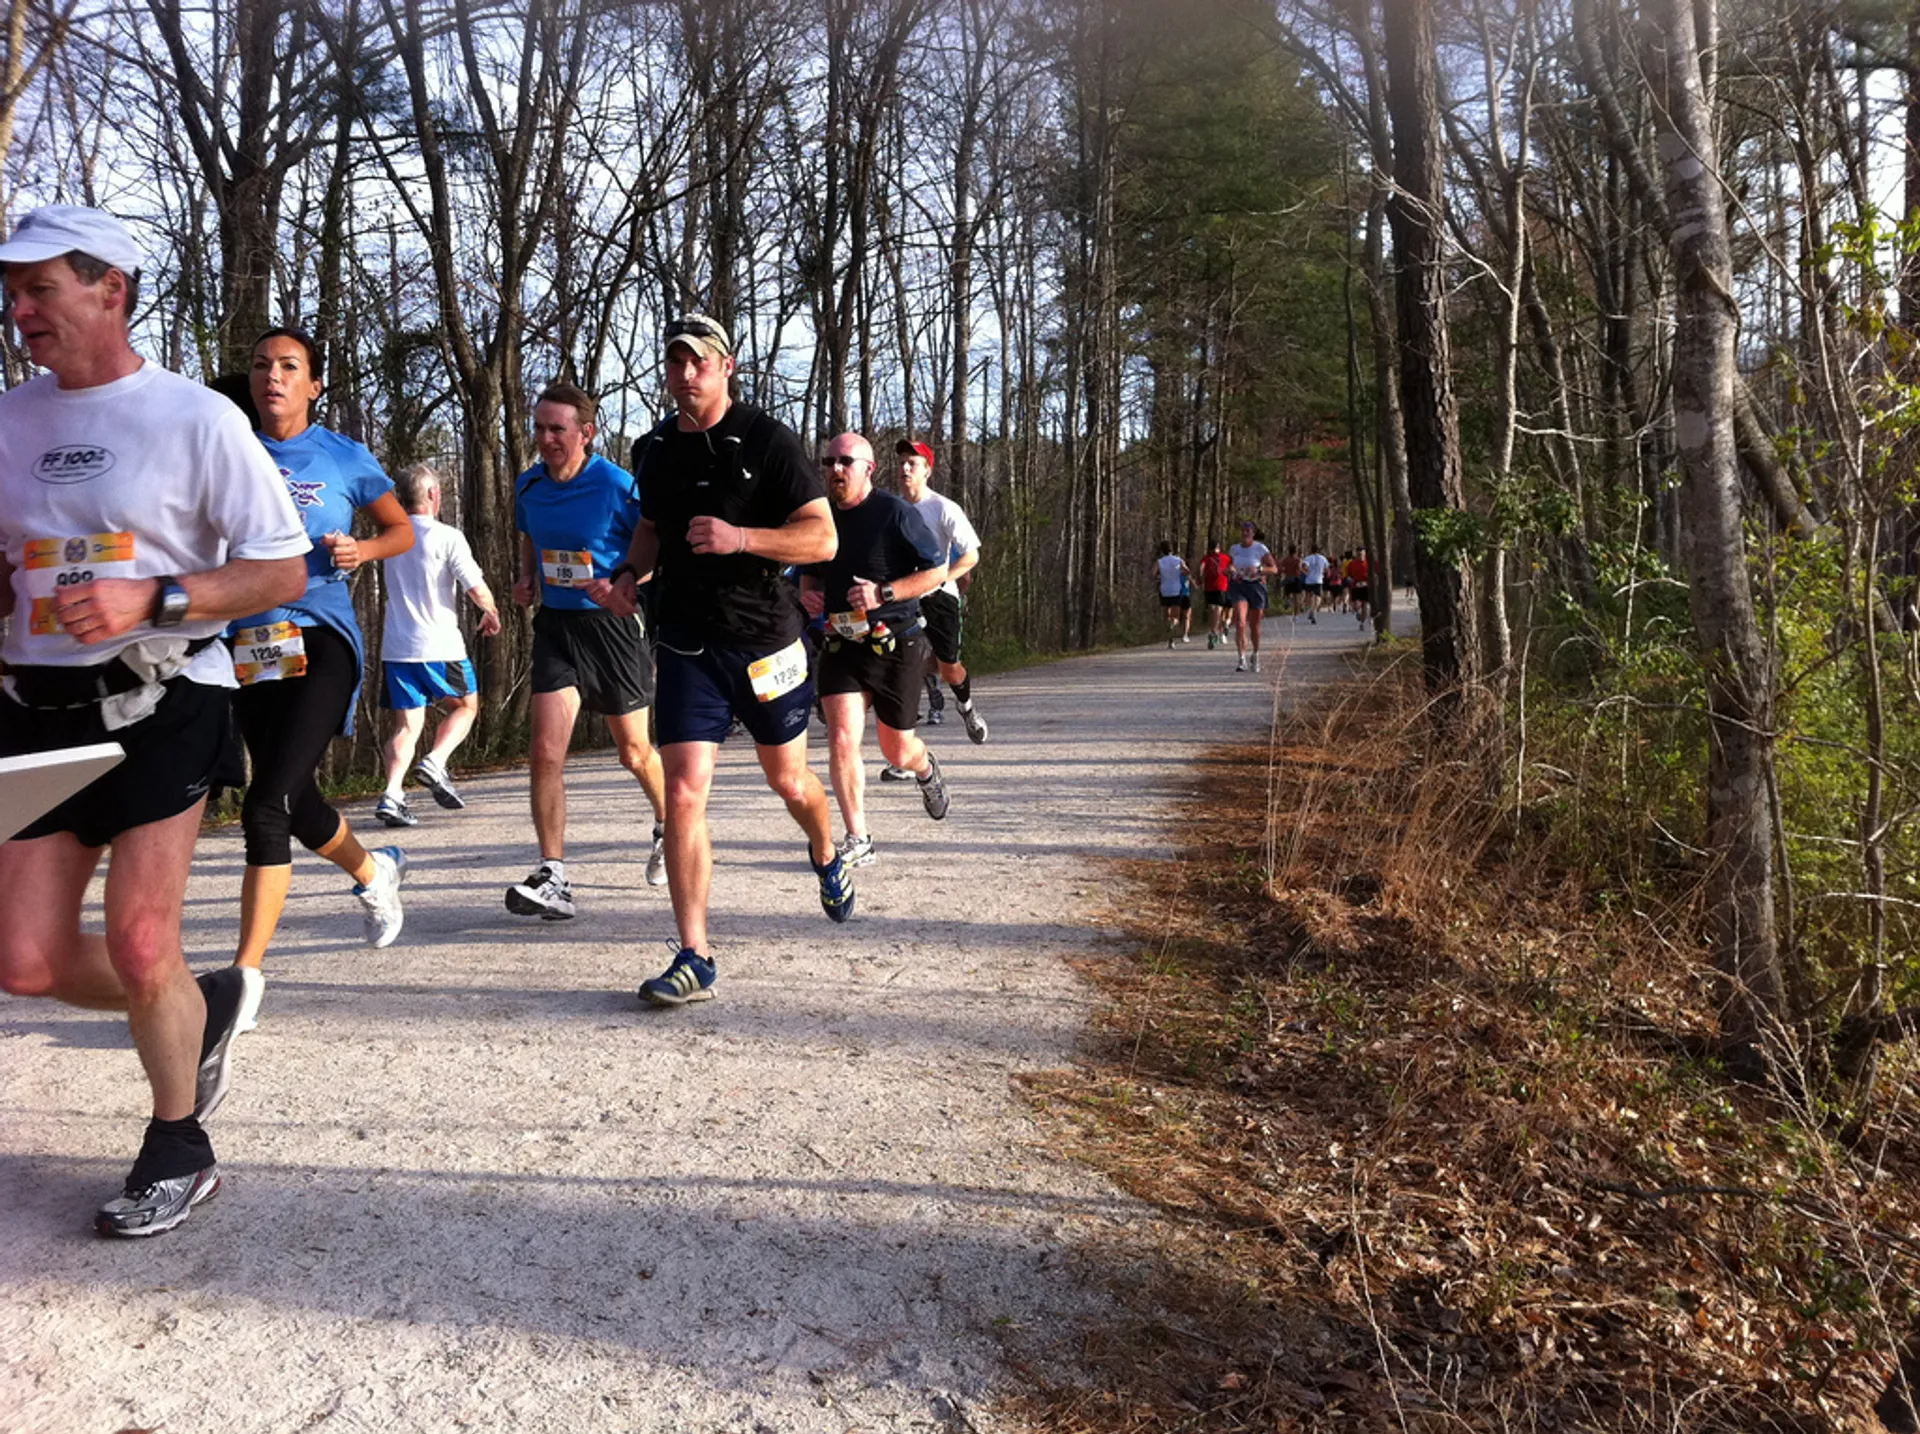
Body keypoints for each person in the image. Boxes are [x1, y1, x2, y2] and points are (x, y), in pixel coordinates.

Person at [0, 205, 309, 1236]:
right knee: (26, 961)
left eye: (41, 288)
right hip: (34, 705)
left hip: (167, 691)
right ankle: (199, 1002)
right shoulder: (8, 417)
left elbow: (280, 567)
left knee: (139, 941)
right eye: (14, 290)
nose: (20, 310)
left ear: (110, 290)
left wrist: (155, 598)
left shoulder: (195, 418)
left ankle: (179, 1142)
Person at [591, 314, 848, 1008]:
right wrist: (626, 578)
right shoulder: (651, 449)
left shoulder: (769, 441)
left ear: (725, 366)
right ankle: (693, 953)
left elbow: (820, 539)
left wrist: (742, 537)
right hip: (684, 642)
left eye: (698, 362)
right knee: (681, 794)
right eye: (675, 362)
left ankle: (828, 851)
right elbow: (648, 531)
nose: (684, 374)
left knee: (789, 781)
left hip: (764, 641)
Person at [226, 325, 415, 1032]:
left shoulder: (343, 455)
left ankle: (244, 978)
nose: (271, 376)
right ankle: (375, 873)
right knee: (296, 802)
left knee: (265, 807)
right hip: (247, 642)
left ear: (314, 384)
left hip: (322, 637)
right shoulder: (228, 450)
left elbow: (400, 529)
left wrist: (361, 547)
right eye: (260, 364)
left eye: (288, 366)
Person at [505, 382, 668, 919]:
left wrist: (624, 581)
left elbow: (652, 549)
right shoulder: (528, 485)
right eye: (539, 427)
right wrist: (526, 578)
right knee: (545, 752)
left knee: (634, 753)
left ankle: (670, 825)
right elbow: (530, 537)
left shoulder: (617, 485)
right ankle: (554, 873)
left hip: (613, 626)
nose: (545, 438)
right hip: (557, 626)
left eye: (557, 429)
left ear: (585, 433)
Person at [798, 432, 951, 868]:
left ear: (869, 469)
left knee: (897, 750)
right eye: (828, 462)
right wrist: (809, 597)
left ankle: (925, 769)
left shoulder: (895, 513)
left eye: (846, 461)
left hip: (896, 641)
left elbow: (936, 571)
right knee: (843, 738)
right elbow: (809, 573)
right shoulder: (819, 517)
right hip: (842, 642)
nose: (835, 470)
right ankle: (858, 836)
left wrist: (884, 592)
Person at [375, 463, 502, 828]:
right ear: (433, 495)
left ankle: (392, 795)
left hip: (397, 647)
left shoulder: (389, 536)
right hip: (440, 645)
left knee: (405, 727)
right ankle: (435, 760)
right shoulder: (447, 536)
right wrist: (490, 610)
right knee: (465, 706)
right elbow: (474, 585)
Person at [895, 440, 987, 744]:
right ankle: (904, 750)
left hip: (939, 598)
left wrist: (942, 578)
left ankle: (967, 708)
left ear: (927, 471)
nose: (906, 468)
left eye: (913, 463)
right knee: (904, 668)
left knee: (948, 669)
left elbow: (971, 555)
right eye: (902, 463)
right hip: (904, 600)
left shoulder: (943, 507)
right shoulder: (892, 509)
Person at [1227, 519, 1277, 672]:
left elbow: (1274, 569)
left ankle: (1255, 654)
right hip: (1239, 586)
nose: (1245, 532)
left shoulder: (1260, 548)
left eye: (1248, 530)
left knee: (1255, 625)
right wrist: (1230, 569)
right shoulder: (1234, 549)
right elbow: (1229, 565)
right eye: (1243, 530)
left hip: (1256, 587)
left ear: (1253, 533)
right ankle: (1241, 658)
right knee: (1241, 623)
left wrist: (1259, 570)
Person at [1153, 541, 1191, 646]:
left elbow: (1153, 574)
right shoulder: (1178, 560)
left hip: (1164, 590)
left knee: (1167, 613)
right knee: (1176, 617)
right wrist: (1181, 573)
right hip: (1176, 590)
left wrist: (1160, 577)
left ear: (1162, 550)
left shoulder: (1159, 562)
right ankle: (1172, 628)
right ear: (1171, 550)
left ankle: (1170, 637)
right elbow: (1187, 571)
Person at [1199, 537, 1232, 649]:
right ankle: (1216, 630)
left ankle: (1215, 630)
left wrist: (1201, 580)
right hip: (1221, 586)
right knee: (1218, 609)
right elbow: (1232, 569)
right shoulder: (1225, 557)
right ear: (1218, 546)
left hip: (1209, 587)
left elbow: (1201, 569)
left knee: (1213, 609)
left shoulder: (1206, 558)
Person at [1300, 543, 1330, 624]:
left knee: (1310, 596)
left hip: (1309, 580)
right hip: (1318, 580)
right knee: (1318, 596)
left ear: (1311, 550)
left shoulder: (1308, 558)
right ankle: (1314, 610)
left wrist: (1307, 572)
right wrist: (1322, 572)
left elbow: (1303, 566)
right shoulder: (1323, 558)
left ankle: (1311, 609)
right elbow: (1327, 568)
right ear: (1319, 550)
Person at [1347, 546, 1372, 625]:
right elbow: (1349, 575)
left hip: (1366, 586)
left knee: (1366, 605)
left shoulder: (1369, 563)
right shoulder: (1352, 563)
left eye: (1362, 553)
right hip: (1356, 586)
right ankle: (1358, 612)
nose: (1360, 555)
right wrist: (1350, 579)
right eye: (1358, 554)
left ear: (1365, 553)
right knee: (1356, 605)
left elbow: (1376, 573)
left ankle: (1362, 621)